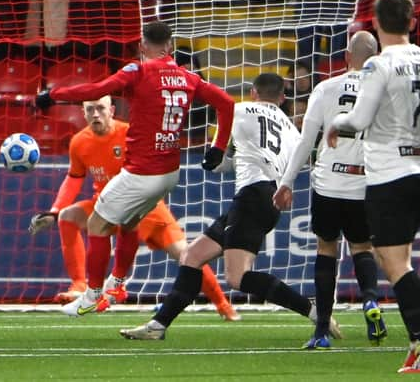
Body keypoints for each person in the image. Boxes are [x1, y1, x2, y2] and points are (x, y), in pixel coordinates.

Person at [119, 73, 342, 341]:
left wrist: (214, 155)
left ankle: (313, 310)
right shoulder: (293, 131)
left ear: (252, 92)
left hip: (251, 198)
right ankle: (158, 326)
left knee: (237, 277)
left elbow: (225, 143)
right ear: (282, 99)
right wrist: (225, 165)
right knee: (192, 255)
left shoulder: (239, 109)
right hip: (268, 197)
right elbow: (263, 161)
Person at [36, 20, 234, 316]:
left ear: (142, 46)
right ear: (169, 47)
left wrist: (53, 94)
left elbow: (97, 88)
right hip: (169, 174)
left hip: (142, 173)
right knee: (127, 224)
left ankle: (91, 295)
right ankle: (116, 284)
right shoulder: (188, 77)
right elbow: (227, 103)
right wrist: (218, 148)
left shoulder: (138, 71)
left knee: (96, 225)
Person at [326, 0, 420, 373]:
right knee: (399, 260)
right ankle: (416, 344)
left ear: (375, 23)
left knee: (395, 266)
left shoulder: (378, 65)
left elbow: (357, 119)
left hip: (390, 176)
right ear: (413, 22)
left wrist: (335, 124)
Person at [273, 31, 386, 349]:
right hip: (364, 181)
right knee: (362, 247)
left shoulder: (325, 88)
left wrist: (286, 182)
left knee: (326, 248)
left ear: (347, 57)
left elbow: (305, 141)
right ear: (375, 58)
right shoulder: (383, 92)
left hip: (328, 183)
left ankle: (321, 331)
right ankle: (370, 300)